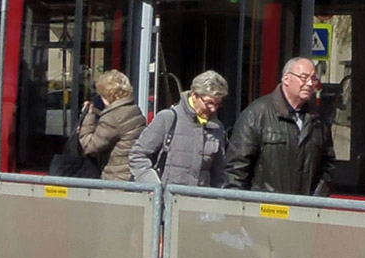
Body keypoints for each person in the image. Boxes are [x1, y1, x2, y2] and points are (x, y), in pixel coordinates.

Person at [226, 56, 332, 195]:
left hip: (305, 210)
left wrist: (317, 198)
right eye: (304, 77)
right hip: (265, 209)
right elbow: (236, 169)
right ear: (286, 79)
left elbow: (327, 165)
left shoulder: (318, 119)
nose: (310, 83)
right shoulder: (257, 114)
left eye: (313, 79)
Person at [132, 69, 229, 189]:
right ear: (194, 96)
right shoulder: (168, 118)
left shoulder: (217, 128)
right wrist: (154, 187)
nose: (213, 109)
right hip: (166, 201)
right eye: (209, 103)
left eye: (217, 104)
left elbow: (220, 173)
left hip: (199, 202)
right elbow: (138, 156)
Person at [77, 68, 146, 182]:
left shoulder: (112, 118)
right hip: (130, 173)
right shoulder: (133, 110)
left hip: (116, 177)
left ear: (109, 95)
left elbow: (90, 147)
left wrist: (88, 117)